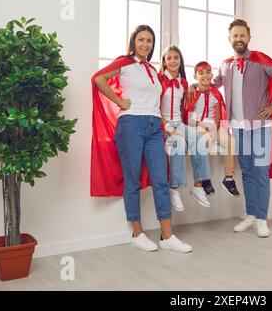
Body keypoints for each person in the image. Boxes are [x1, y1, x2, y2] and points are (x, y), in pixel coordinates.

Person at [190, 19, 272, 238]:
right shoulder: (226, 65)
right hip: (238, 128)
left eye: (242, 35)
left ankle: (262, 219)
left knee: (261, 171)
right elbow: (212, 85)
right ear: (230, 39)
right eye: (235, 36)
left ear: (249, 38)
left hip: (260, 126)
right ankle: (250, 215)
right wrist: (194, 85)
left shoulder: (260, 61)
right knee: (248, 173)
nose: (239, 39)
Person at [91, 25, 192, 253]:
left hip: (155, 126)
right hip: (131, 125)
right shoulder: (124, 63)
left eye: (149, 40)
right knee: (133, 180)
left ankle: (168, 237)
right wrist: (119, 100)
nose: (145, 44)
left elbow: (157, 102)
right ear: (133, 42)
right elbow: (98, 78)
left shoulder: (153, 72)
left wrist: (166, 125)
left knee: (161, 180)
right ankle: (137, 233)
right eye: (141, 40)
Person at [158, 46, 212, 210]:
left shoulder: (183, 82)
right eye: (169, 58)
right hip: (163, 124)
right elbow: (154, 106)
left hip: (180, 123)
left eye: (176, 57)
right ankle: (173, 190)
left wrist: (192, 86)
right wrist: (167, 126)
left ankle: (198, 186)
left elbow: (202, 87)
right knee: (179, 144)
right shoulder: (159, 80)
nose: (173, 61)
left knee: (199, 139)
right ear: (164, 61)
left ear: (180, 61)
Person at [185, 61, 241, 198]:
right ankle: (205, 178)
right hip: (197, 127)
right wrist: (204, 126)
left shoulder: (215, 94)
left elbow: (217, 115)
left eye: (208, 72)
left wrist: (215, 128)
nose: (205, 75)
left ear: (211, 74)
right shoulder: (192, 93)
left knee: (230, 141)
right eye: (201, 73)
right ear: (195, 76)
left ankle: (228, 179)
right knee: (203, 141)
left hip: (213, 127)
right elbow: (188, 120)